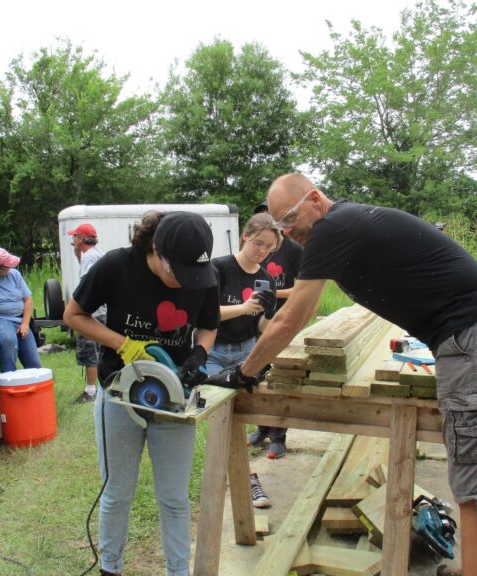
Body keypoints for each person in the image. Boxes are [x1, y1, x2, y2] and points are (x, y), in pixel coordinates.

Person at [207, 173, 477, 576]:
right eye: (278, 225)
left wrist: (243, 373)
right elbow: (302, 303)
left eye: (288, 218)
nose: (287, 230)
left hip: (472, 338)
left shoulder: (332, 227)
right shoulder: (346, 225)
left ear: (315, 199)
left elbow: (292, 317)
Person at [63, 211, 219, 576]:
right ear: (155, 250)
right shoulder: (117, 265)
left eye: (191, 276)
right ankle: (110, 568)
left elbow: (209, 326)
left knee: (175, 498)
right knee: (117, 492)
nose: (184, 284)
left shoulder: (204, 277)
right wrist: (125, 345)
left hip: (174, 399)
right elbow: (74, 315)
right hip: (119, 393)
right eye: (175, 274)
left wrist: (199, 353)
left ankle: (178, 572)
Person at [207, 212, 280, 506]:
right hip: (213, 351)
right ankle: (245, 479)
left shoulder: (266, 279)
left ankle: (243, 477)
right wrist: (244, 308)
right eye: (258, 242)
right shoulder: (218, 268)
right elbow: (205, 315)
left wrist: (269, 313)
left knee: (239, 415)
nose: (261, 251)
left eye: (268, 247)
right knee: (220, 416)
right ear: (245, 236)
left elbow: (262, 328)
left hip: (247, 350)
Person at [247, 201, 304, 459]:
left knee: (279, 379)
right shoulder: (253, 249)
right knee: (256, 376)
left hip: (283, 321)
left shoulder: (292, 249)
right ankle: (261, 429)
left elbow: (302, 289)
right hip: (255, 322)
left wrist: (271, 293)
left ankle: (279, 437)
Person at [67, 222, 106, 403]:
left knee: (90, 352)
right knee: (101, 350)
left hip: (92, 312)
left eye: (74, 236)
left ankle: (90, 392)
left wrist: (83, 312)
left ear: (82, 238)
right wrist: (77, 254)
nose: (72, 239)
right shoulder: (94, 254)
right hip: (102, 311)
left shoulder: (90, 257)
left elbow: (88, 286)